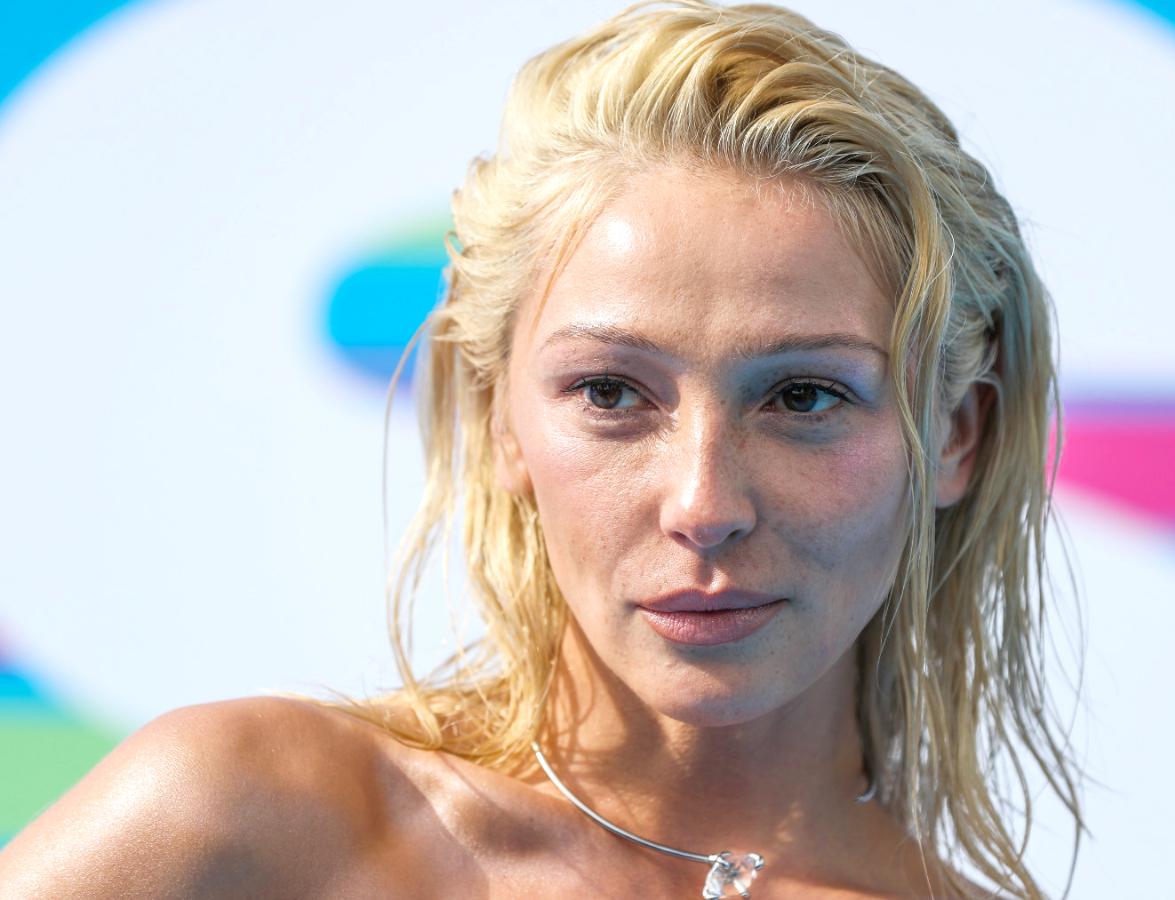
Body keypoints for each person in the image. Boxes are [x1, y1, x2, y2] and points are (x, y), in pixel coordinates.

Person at [0, 1, 1086, 896]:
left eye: (803, 396)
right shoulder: (244, 826)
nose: (703, 505)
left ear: (957, 434)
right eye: (609, 391)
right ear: (496, 418)